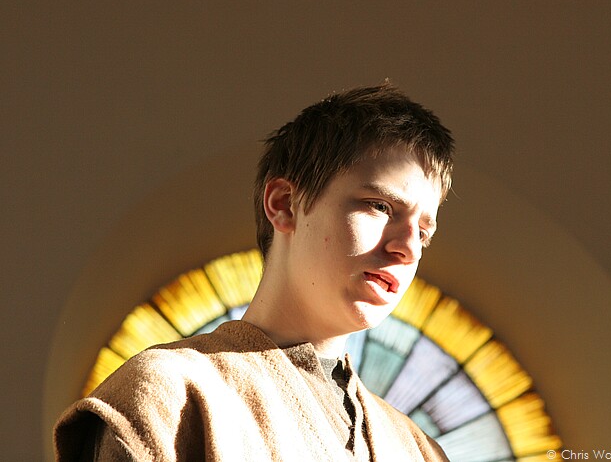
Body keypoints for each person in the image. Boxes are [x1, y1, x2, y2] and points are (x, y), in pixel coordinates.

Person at [54, 83, 455, 461]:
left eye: (423, 233)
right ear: (284, 204)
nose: (407, 248)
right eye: (380, 207)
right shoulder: (170, 395)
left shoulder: (420, 450)